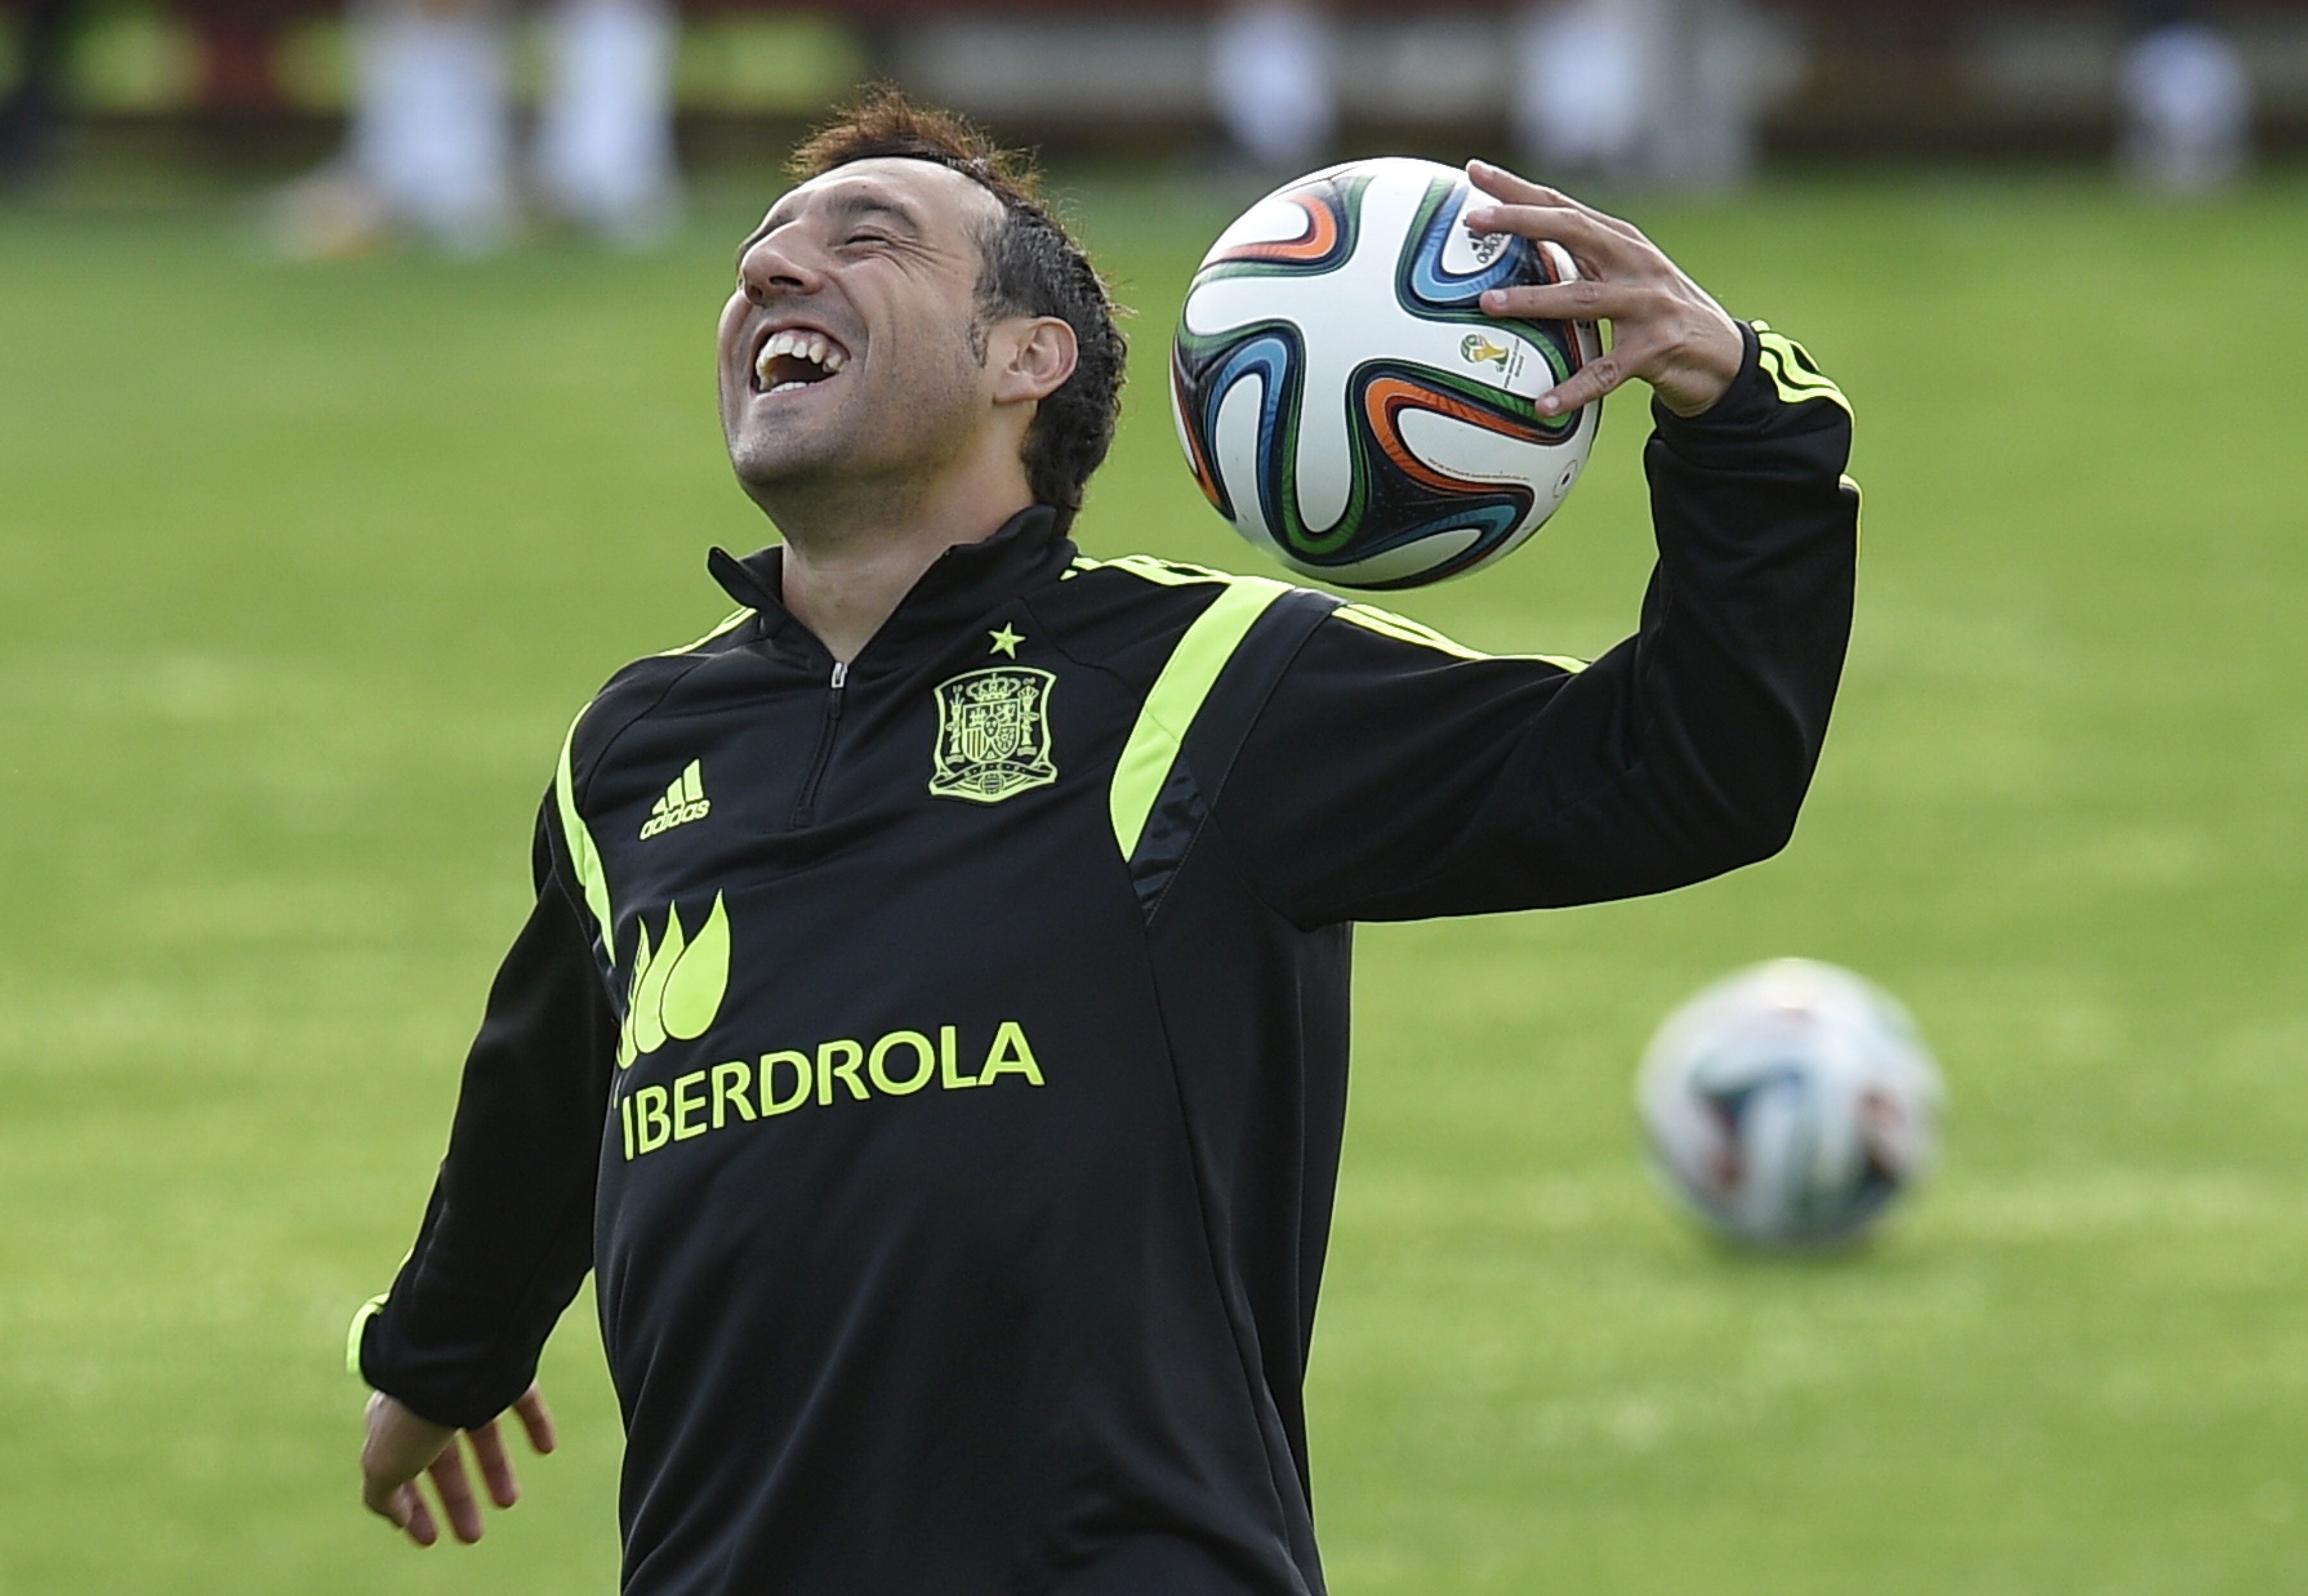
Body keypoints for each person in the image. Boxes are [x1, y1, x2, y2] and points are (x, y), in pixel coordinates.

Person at [349, 90, 1857, 1593]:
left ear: (1028, 358)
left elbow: (1686, 767)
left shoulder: (1209, 685)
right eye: (758, 257)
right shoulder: (635, 754)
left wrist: (1746, 419)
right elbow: (546, 1092)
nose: (770, 276)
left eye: (864, 240)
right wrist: (445, 1357)